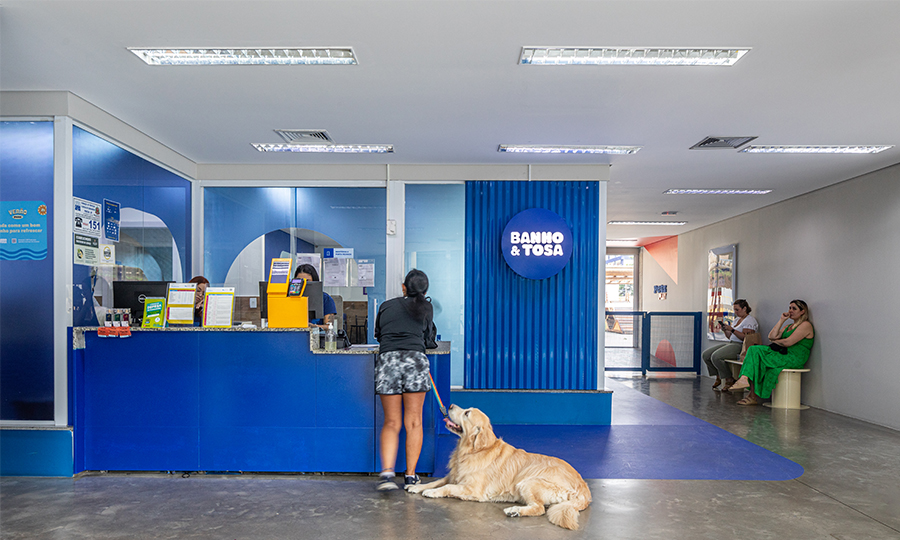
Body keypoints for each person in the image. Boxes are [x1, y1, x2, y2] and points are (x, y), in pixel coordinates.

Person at [373, 269, 434, 491]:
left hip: (388, 361)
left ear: (403, 287)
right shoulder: (426, 308)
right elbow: (428, 339)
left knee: (391, 422)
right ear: (425, 291)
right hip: (415, 361)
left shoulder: (386, 306)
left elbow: (378, 335)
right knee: (414, 421)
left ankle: (388, 474)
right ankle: (410, 476)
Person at [730, 299, 814, 405]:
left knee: (756, 356)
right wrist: (781, 320)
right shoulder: (788, 326)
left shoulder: (806, 325)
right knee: (753, 350)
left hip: (793, 357)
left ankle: (751, 393)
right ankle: (745, 380)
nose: (790, 311)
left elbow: (788, 342)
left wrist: (776, 341)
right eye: (789, 308)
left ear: (802, 311)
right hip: (782, 353)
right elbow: (771, 336)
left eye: (794, 308)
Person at [702, 299, 758, 391]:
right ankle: (719, 375)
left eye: (737, 310)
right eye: (734, 310)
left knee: (716, 357)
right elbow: (730, 337)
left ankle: (729, 378)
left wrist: (732, 330)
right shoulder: (736, 320)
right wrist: (725, 330)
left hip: (740, 345)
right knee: (706, 355)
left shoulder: (750, 321)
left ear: (744, 309)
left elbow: (745, 338)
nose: (736, 312)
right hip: (731, 343)